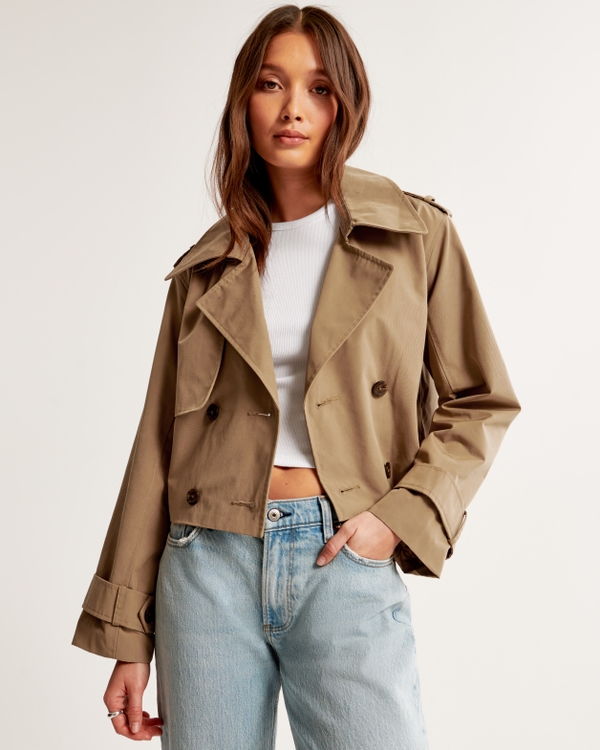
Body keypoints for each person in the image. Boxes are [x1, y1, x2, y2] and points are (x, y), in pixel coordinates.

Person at [71, 5, 520, 748]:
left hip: (341, 551)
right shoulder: (207, 267)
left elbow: (480, 400)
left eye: (319, 88)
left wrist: (397, 519)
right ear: (243, 101)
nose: (292, 109)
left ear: (347, 104)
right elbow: (156, 447)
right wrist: (128, 637)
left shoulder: (414, 236)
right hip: (205, 564)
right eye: (271, 84)